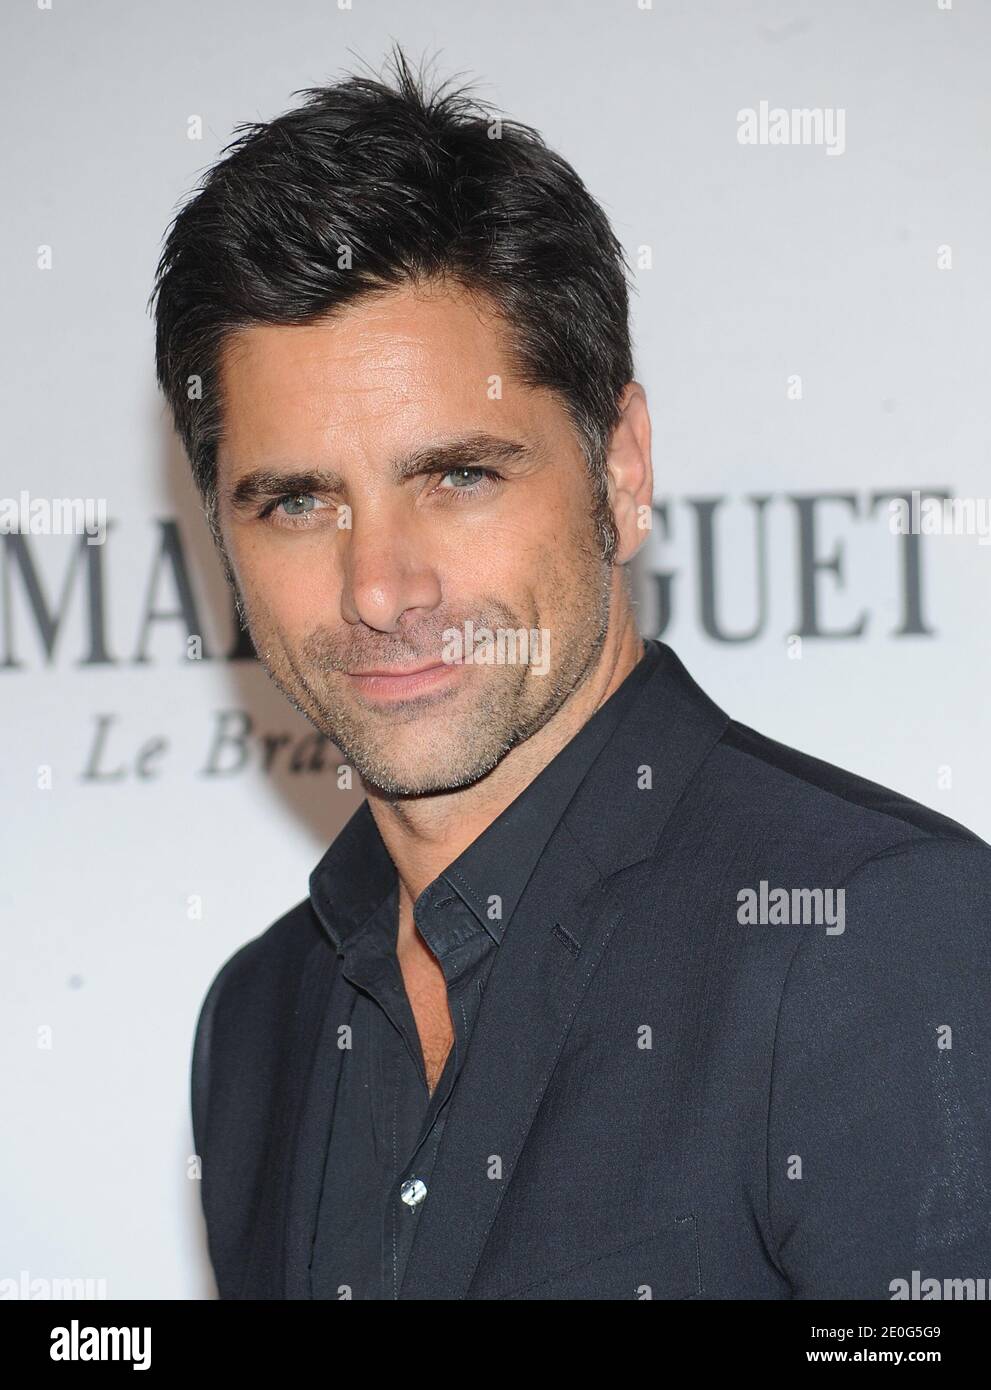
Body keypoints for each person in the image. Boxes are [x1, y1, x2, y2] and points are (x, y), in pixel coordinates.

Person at [151, 45, 991, 1300]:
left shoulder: (873, 937)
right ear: (221, 536)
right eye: (298, 503)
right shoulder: (258, 1025)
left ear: (622, 469)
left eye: (460, 476)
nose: (381, 587)